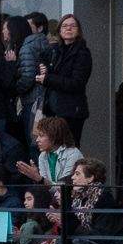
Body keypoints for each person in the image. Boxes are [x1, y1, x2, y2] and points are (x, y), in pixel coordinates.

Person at [39, 13, 93, 146]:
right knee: (51, 149)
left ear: (78, 30)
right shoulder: (55, 50)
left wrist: (48, 78)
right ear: (59, 30)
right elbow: (40, 62)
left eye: (73, 26)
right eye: (65, 26)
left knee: (68, 150)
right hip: (52, 109)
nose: (68, 28)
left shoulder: (82, 53)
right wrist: (42, 68)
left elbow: (76, 83)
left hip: (71, 111)